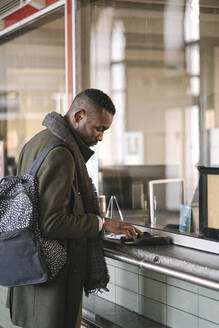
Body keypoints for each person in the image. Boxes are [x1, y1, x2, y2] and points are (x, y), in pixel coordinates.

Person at [7, 88, 141, 328]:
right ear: (79, 116)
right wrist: (101, 223)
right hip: (52, 281)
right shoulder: (62, 154)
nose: (100, 137)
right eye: (99, 128)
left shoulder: (36, 141)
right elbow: (52, 222)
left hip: (30, 269)